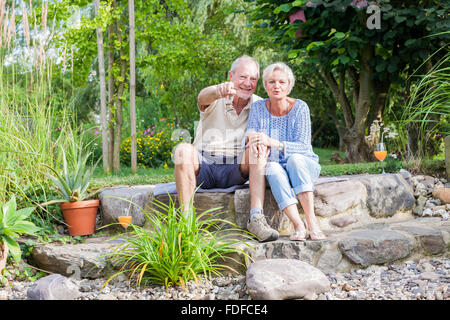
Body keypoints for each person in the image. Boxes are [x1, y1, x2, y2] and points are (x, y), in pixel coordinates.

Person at [173, 55, 279, 242]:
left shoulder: (259, 105)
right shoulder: (216, 96)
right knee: (182, 150)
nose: (247, 83)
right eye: (242, 77)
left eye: (253, 79)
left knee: (259, 147)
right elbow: (201, 97)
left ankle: (256, 218)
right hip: (204, 164)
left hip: (236, 168)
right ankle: (186, 223)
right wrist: (217, 90)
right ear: (231, 76)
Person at [243, 62, 326, 241]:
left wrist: (272, 142)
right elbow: (249, 132)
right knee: (271, 168)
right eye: (271, 82)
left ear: (289, 85)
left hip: (303, 165)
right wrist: (254, 138)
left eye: (281, 82)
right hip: (277, 167)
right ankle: (298, 225)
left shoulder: (300, 108)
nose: (276, 86)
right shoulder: (258, 107)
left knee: (295, 159)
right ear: (265, 85)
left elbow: (303, 147)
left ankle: (312, 222)